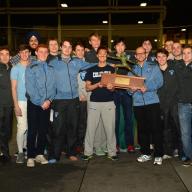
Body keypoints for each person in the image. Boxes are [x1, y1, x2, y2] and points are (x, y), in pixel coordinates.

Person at [49, 39, 95, 162]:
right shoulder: (53, 63)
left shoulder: (77, 62)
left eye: (69, 47)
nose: (67, 49)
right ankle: (55, 155)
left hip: (74, 99)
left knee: (72, 127)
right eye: (65, 46)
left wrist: (104, 63)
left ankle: (71, 152)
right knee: (58, 128)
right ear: (61, 48)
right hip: (58, 100)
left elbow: (91, 65)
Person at [129, 46, 163, 165]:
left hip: (152, 102)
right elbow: (128, 89)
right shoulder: (132, 70)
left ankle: (158, 155)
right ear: (135, 56)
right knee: (142, 130)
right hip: (138, 104)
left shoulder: (154, 67)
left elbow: (160, 82)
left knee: (156, 129)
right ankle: (146, 153)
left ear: (146, 54)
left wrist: (147, 88)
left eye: (142, 53)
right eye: (138, 54)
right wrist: (131, 90)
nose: (140, 55)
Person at [83, 46, 117, 161]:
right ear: (97, 55)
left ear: (106, 55)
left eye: (104, 54)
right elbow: (87, 88)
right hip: (94, 103)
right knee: (90, 129)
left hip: (109, 102)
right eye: (100, 54)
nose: (102, 55)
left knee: (110, 128)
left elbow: (113, 89)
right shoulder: (91, 70)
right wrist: (97, 85)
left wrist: (110, 87)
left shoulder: (111, 69)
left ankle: (112, 152)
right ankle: (88, 152)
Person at [25, 44, 56, 167]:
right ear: (36, 53)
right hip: (34, 103)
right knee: (32, 130)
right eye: (41, 52)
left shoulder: (51, 68)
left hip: (47, 103)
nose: (43, 54)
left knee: (43, 129)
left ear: (48, 54)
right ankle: (31, 156)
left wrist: (49, 100)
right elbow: (30, 88)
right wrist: (40, 102)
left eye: (45, 52)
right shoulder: (31, 67)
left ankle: (39, 154)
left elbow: (54, 87)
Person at [108, 37, 135, 153]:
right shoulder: (111, 59)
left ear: (125, 47)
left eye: (122, 45)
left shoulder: (130, 59)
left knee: (129, 119)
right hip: (114, 92)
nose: (120, 47)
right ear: (115, 47)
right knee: (116, 120)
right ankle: (116, 145)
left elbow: (133, 74)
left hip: (127, 92)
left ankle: (130, 144)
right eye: (118, 45)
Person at [156, 48, 183, 160]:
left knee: (178, 127)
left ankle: (181, 150)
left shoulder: (174, 68)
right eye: (159, 57)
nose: (161, 58)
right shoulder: (155, 71)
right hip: (161, 104)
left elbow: (181, 84)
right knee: (165, 128)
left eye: (163, 56)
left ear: (167, 57)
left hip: (175, 103)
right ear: (156, 59)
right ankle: (168, 151)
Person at [85, 32, 107, 156]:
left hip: (105, 92)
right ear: (90, 42)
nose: (96, 42)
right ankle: (93, 145)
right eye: (93, 40)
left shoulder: (105, 52)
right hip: (92, 90)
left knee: (104, 122)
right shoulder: (87, 54)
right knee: (93, 122)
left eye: (98, 40)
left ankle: (102, 145)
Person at [10, 44, 30, 163]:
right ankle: (20, 153)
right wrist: (16, 105)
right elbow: (13, 88)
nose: (24, 54)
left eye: (26, 52)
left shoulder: (32, 66)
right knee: (22, 127)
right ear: (19, 54)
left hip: (32, 101)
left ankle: (26, 148)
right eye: (22, 52)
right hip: (21, 101)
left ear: (29, 54)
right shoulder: (15, 68)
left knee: (29, 127)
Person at [175, 45, 192, 167]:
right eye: (184, 53)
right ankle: (188, 156)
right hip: (183, 105)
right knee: (185, 133)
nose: (186, 55)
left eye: (189, 53)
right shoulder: (177, 65)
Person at [74, 42, 88, 153]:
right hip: (75, 98)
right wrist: (77, 95)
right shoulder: (71, 64)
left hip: (86, 99)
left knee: (84, 123)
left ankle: (81, 143)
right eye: (78, 50)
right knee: (74, 123)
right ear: (74, 51)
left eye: (82, 50)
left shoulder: (88, 65)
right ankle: (74, 144)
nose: (80, 52)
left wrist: (87, 96)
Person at [0, 46, 13, 165]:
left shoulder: (12, 68)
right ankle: (5, 154)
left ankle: (4, 152)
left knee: (8, 131)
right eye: (1, 54)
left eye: (6, 54)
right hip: (0, 106)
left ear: (10, 56)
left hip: (10, 105)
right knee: (2, 131)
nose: (4, 56)